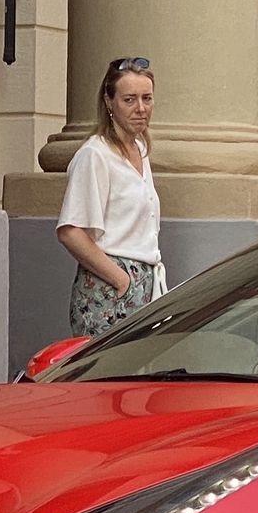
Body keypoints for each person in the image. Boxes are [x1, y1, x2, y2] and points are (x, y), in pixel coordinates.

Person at [58, 57, 162, 335]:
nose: (141, 108)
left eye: (147, 98)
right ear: (109, 101)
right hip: (109, 288)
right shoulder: (95, 155)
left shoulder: (139, 149)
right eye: (129, 99)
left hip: (144, 282)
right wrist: (121, 280)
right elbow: (70, 231)